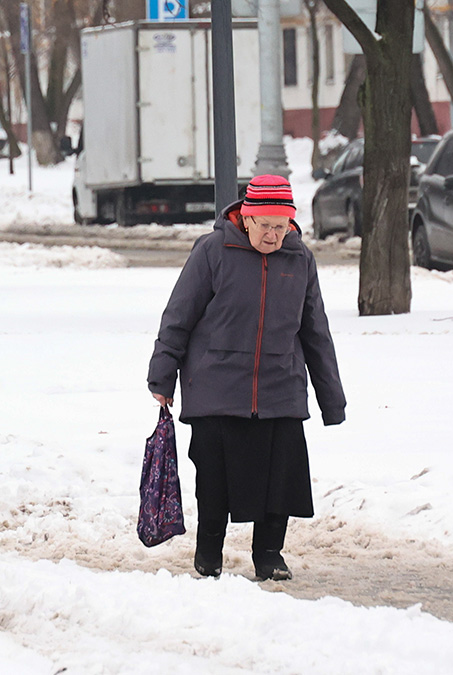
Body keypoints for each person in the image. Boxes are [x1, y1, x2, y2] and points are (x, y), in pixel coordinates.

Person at [147, 174, 345, 581]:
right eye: (265, 225)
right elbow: (179, 316)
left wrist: (332, 399)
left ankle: (269, 554)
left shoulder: (300, 259)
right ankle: (209, 552)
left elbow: (315, 331)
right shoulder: (212, 251)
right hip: (216, 385)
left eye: (281, 226)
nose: (273, 235)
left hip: (279, 387)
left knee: (280, 478)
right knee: (215, 480)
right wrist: (162, 376)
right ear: (246, 217)